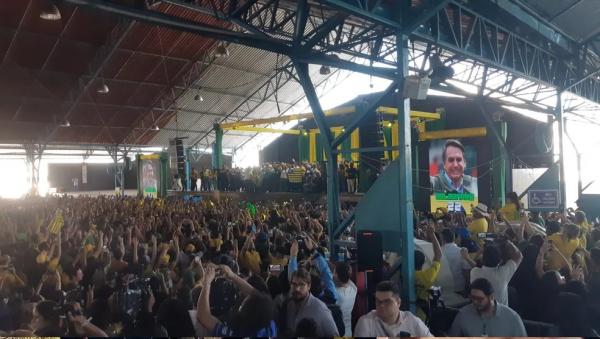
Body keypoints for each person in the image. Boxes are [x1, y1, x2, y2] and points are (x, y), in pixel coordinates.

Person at [449, 278, 527, 336]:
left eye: (479, 299)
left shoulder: (512, 317)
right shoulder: (463, 314)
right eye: (473, 298)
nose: (475, 302)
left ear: (491, 297)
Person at [354, 280, 432, 337]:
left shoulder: (412, 321)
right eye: (378, 301)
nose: (381, 305)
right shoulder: (366, 323)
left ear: (398, 303)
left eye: (387, 301)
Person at [281, 268, 339, 337]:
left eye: (302, 285)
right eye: (294, 284)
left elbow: (335, 336)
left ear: (309, 286)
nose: (297, 289)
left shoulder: (320, 309)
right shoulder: (287, 305)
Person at [469, 238, 522, 306]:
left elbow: (474, 262)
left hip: (479, 312)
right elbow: (519, 256)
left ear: (482, 259)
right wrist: (510, 243)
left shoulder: (474, 272)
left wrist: (480, 252)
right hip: (501, 313)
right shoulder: (503, 273)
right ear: (500, 261)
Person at [415, 225, 442, 320]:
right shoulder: (426, 277)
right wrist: (432, 234)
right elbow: (438, 255)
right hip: (421, 316)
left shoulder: (399, 273)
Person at [440, 228, 471, 293]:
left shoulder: (439, 252)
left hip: (444, 287)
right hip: (460, 286)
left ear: (442, 239)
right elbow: (466, 272)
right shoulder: (462, 251)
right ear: (454, 238)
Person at [333, 261, 357, 336]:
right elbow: (346, 275)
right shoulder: (354, 288)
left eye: (334, 272)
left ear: (337, 275)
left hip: (337, 333)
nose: (332, 275)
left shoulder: (336, 295)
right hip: (348, 332)